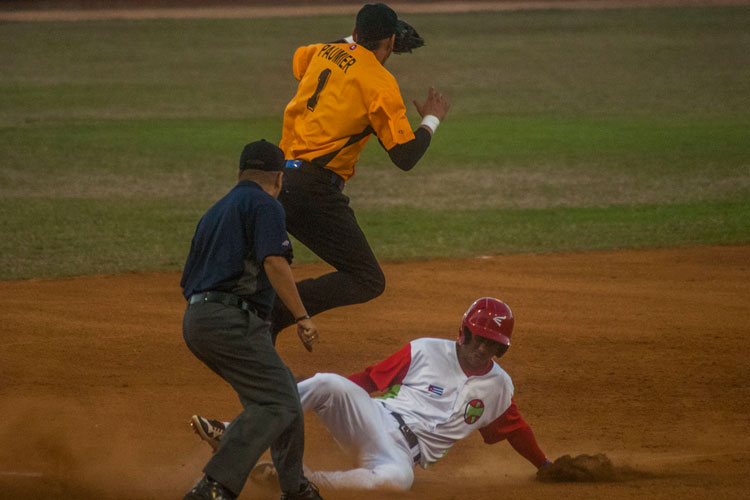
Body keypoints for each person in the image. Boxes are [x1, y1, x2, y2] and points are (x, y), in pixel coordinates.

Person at [190, 297, 550, 491]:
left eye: (495, 345)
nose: (484, 349)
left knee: (395, 482)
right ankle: (231, 431)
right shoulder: (425, 350)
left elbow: (515, 430)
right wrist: (329, 396)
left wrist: (545, 466)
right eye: (480, 338)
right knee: (328, 382)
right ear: (465, 332)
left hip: (400, 454)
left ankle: (303, 480)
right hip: (374, 419)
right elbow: (367, 381)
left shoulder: (499, 387)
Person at [269, 2, 451, 336]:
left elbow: (303, 58)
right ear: (392, 42)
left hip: (276, 182)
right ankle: (279, 308)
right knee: (367, 279)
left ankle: (263, 316)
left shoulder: (324, 51)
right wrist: (431, 118)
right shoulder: (381, 84)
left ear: (355, 33)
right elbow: (405, 157)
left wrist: (352, 44)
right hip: (312, 191)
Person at [180, 140, 324, 500]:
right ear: (278, 177)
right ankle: (215, 486)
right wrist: (302, 317)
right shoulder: (265, 204)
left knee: (284, 393)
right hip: (231, 321)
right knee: (276, 403)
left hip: (199, 319)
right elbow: (275, 262)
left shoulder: (215, 211)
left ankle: (296, 489)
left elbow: (188, 279)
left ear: (240, 173)